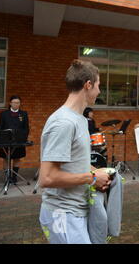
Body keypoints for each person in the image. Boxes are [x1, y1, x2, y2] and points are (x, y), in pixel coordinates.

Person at [39, 60, 111, 244]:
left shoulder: (79, 119)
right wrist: (92, 178)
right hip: (62, 214)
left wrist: (96, 172)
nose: (99, 91)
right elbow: (47, 178)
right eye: (98, 85)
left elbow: (74, 163)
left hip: (75, 211)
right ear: (88, 85)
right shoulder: (63, 122)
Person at [0, 95, 30, 184]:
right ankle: (7, 177)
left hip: (18, 141)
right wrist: (1, 139)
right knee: (6, 158)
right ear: (10, 103)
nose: (16, 104)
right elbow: (0, 127)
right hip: (6, 141)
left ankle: (14, 177)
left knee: (17, 158)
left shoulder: (24, 114)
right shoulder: (4, 114)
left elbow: (26, 128)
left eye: (18, 103)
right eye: (14, 102)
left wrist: (23, 138)